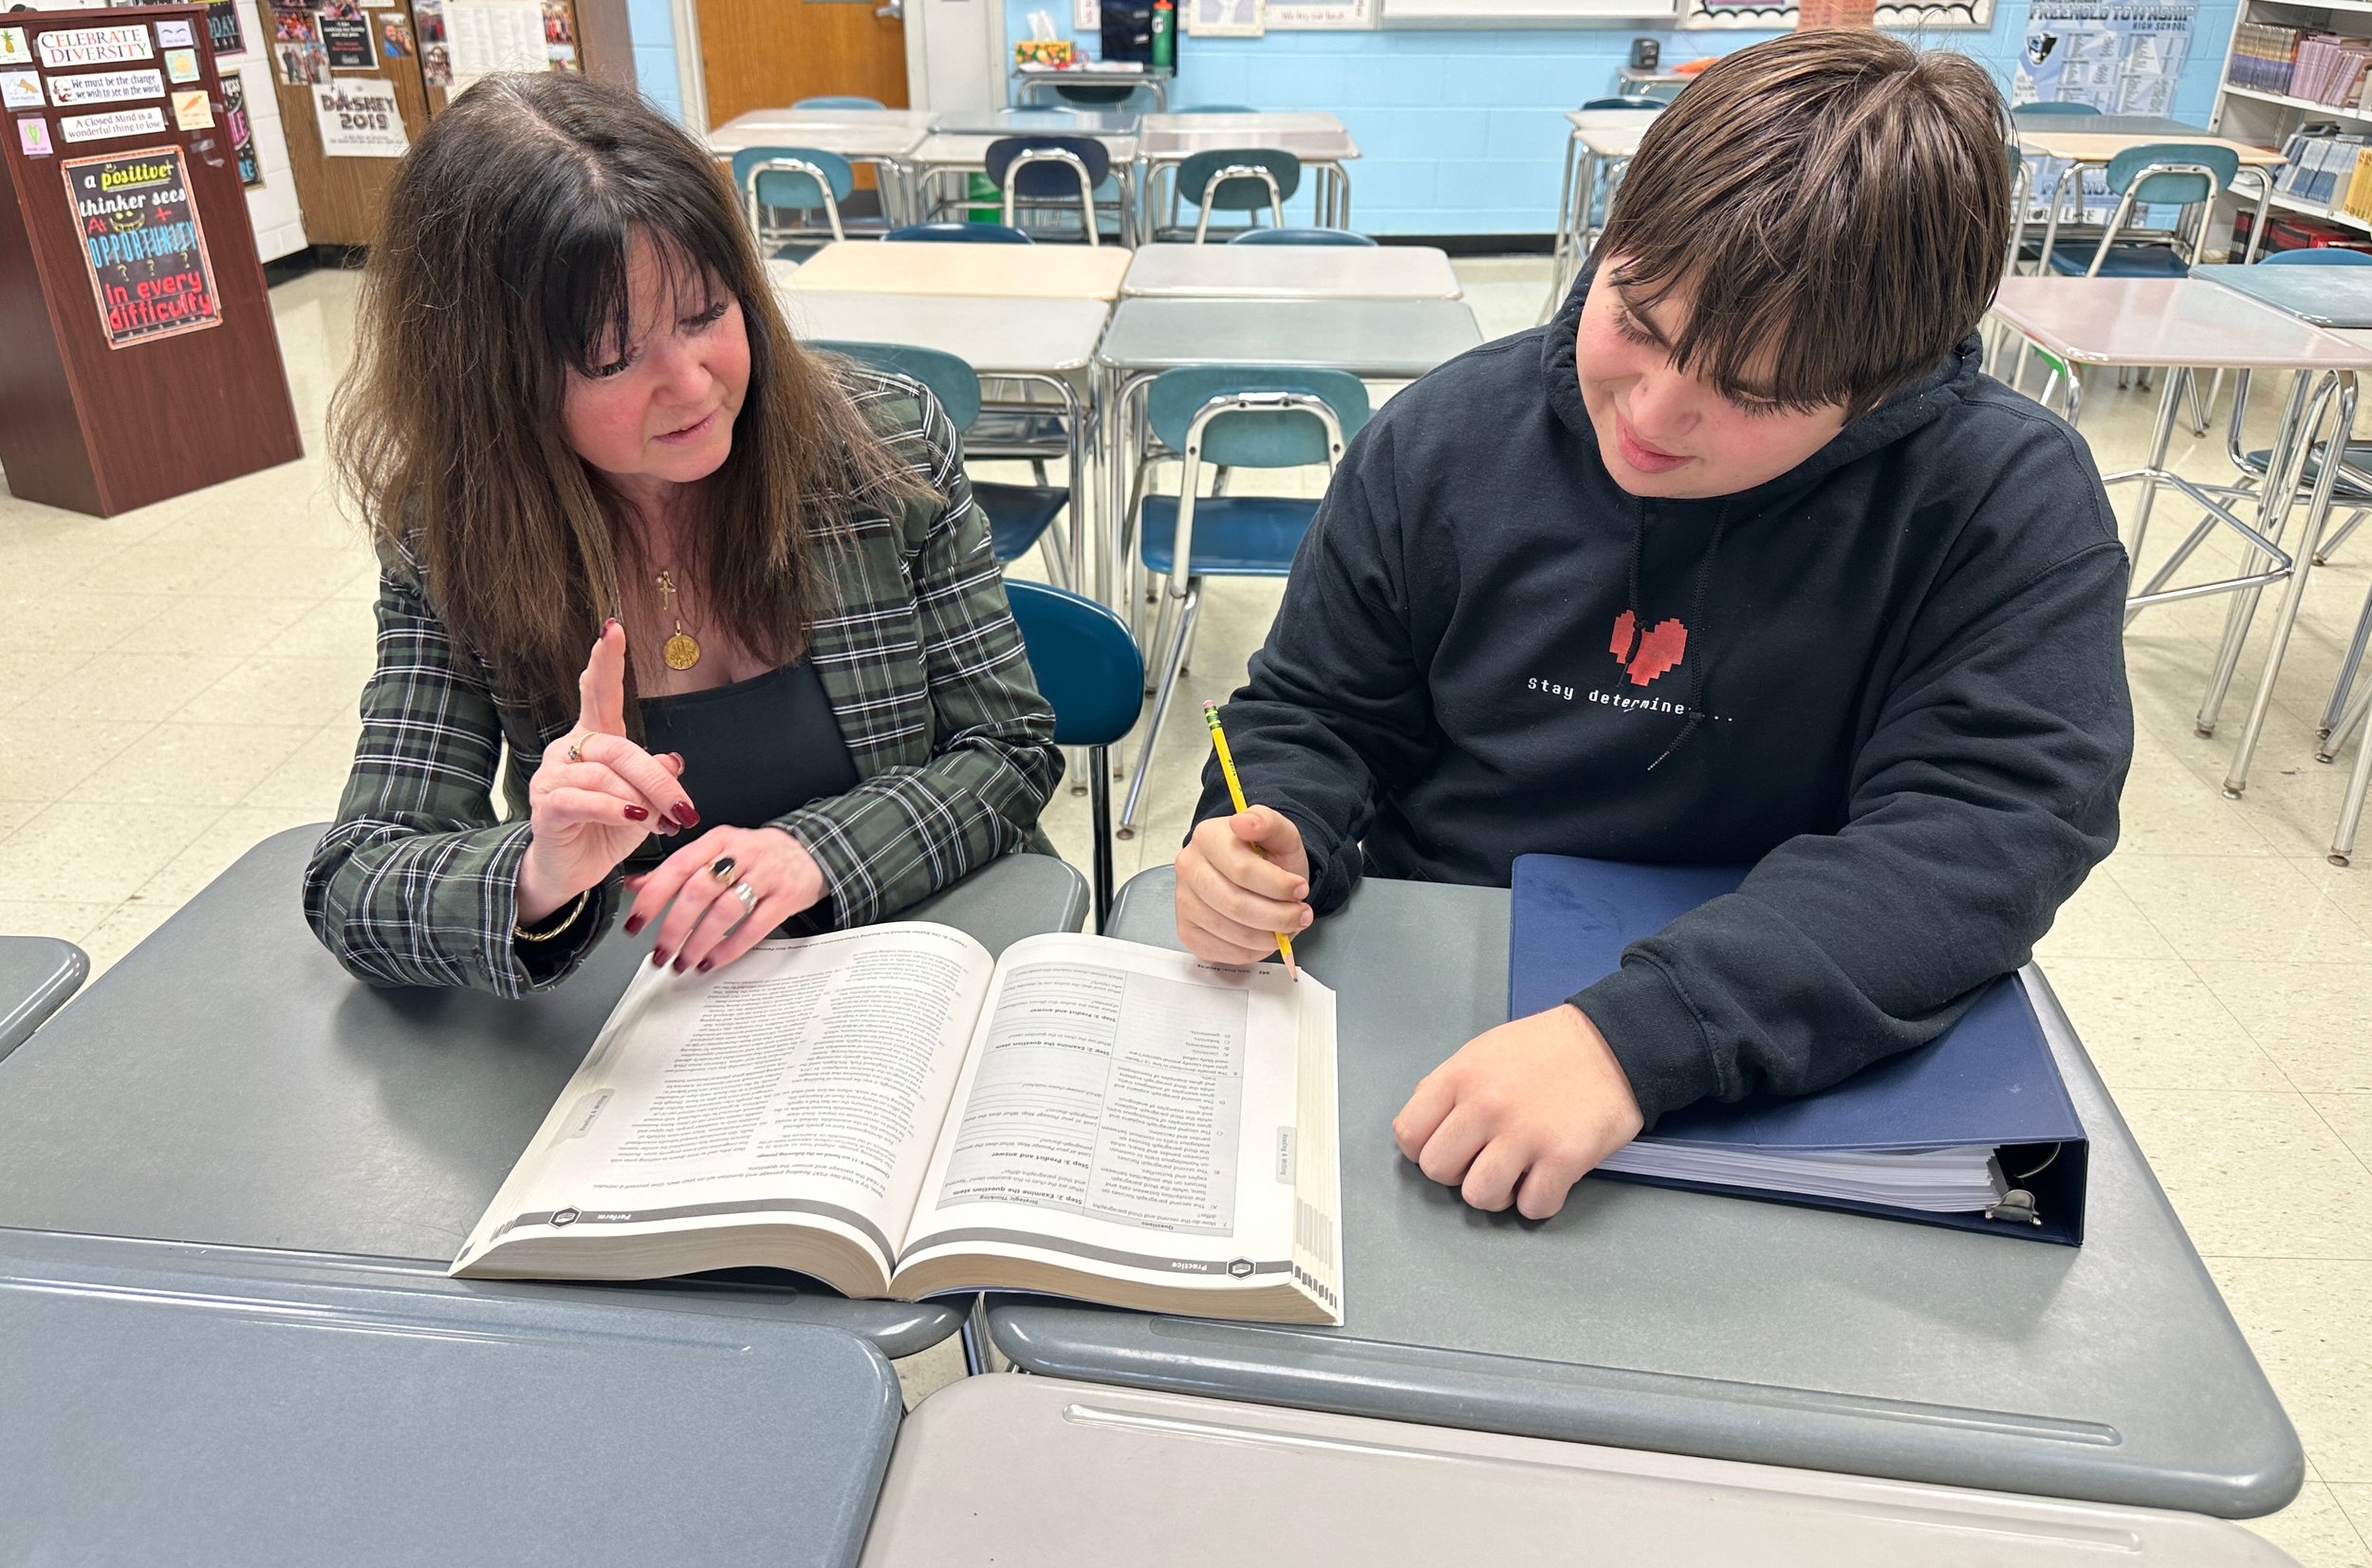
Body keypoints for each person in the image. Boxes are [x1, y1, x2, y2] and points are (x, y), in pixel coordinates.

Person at [1176, 33, 2132, 1219]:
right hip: (1436, 968)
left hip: (1785, 1006)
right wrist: (1266, 826)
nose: (1655, 414)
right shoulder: (1446, 441)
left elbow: (1985, 829)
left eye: (1757, 391)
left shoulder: (2000, 500)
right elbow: (1316, 709)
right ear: (1614, 242)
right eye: (1639, 319)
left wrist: (1637, 1038)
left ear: (1884, 383)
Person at [306, 72, 1060, 997]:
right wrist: (538, 874)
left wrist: (806, 855)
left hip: (912, 966)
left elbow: (1008, 751)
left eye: (706, 314)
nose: (694, 384)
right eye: (616, 357)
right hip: (649, 1018)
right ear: (497, 386)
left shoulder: (882, 448)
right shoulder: (456, 537)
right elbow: (357, 880)